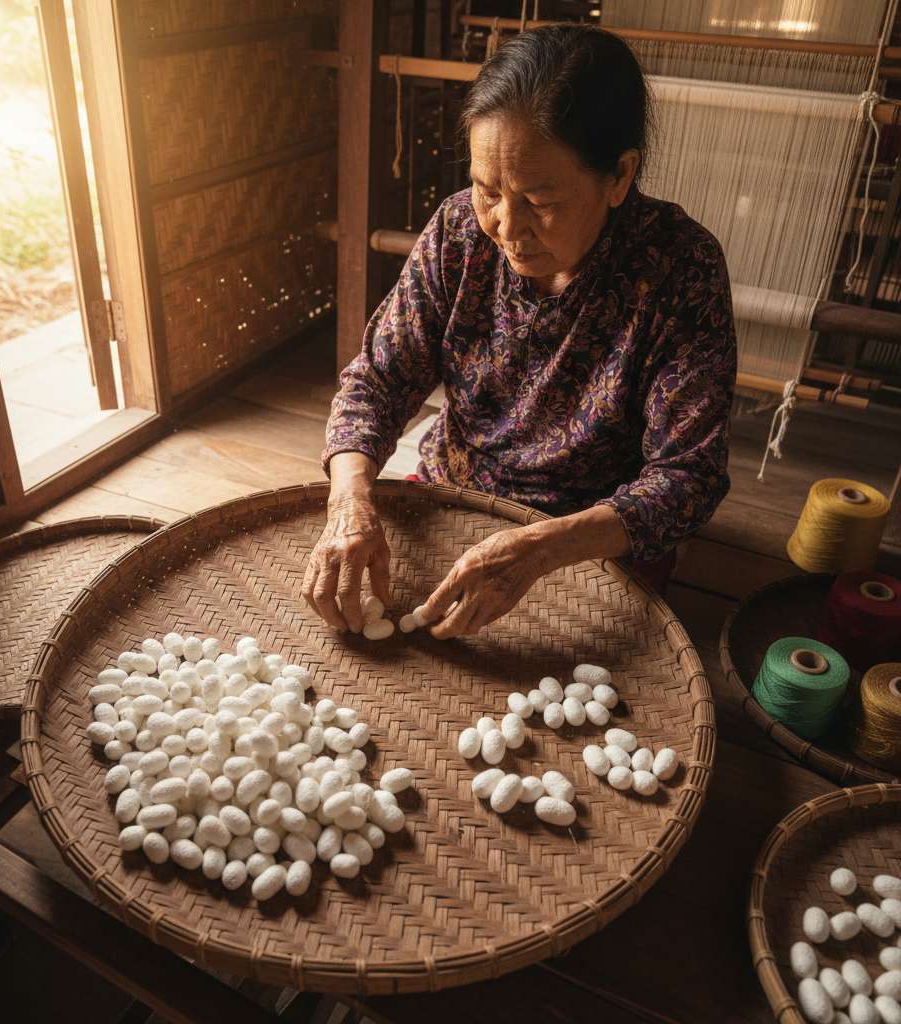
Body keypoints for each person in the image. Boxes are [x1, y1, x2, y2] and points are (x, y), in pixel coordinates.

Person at [303, 24, 736, 639]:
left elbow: (688, 475)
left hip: (590, 535)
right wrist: (348, 501)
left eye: (540, 200)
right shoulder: (459, 231)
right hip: (457, 492)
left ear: (618, 177)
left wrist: (537, 548)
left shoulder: (678, 268)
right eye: (488, 191)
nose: (507, 226)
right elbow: (377, 379)